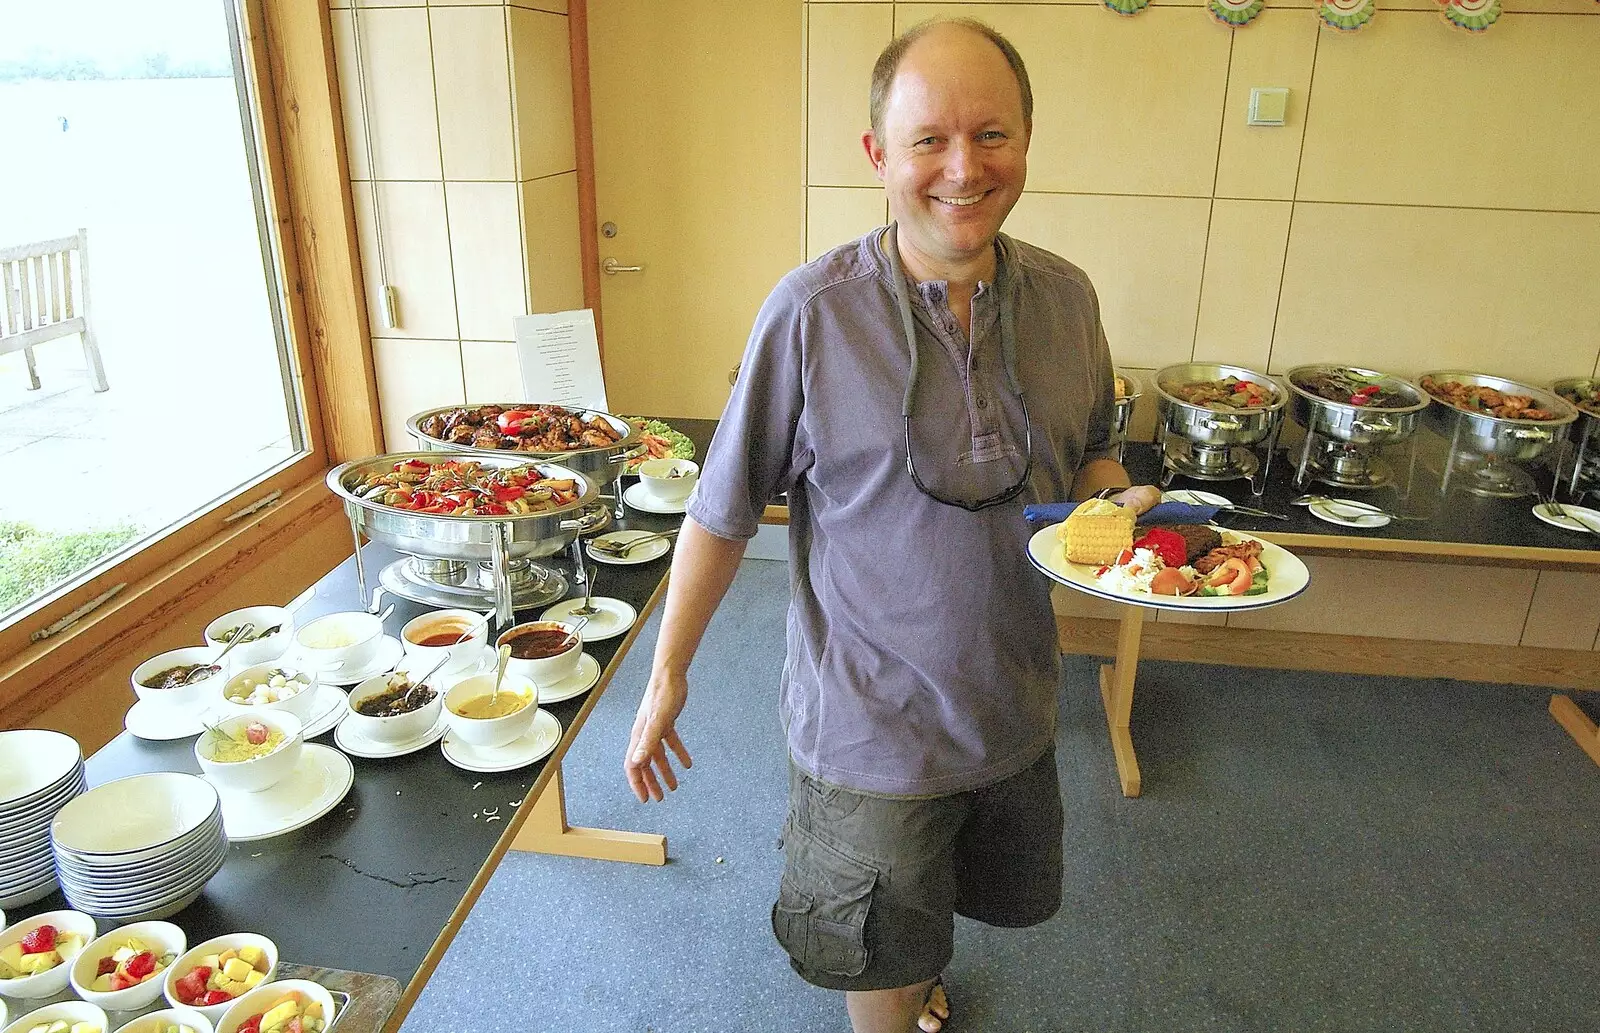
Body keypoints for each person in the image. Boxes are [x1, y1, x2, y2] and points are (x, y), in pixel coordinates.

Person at [624, 17, 1160, 1033]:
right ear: (878, 155)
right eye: (929, 141)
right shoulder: (811, 314)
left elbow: (1093, 449)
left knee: (944, 899)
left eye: (992, 135)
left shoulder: (1066, 300)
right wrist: (667, 673)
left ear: (1028, 141)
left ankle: (917, 975)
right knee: (875, 936)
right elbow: (723, 508)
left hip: (1012, 701)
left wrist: (1112, 500)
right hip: (869, 730)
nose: (963, 168)